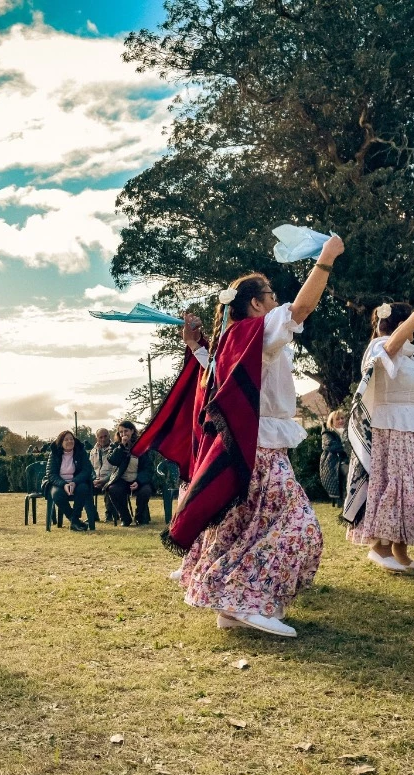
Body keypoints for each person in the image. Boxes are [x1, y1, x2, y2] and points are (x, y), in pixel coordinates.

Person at [138, 235, 342, 638]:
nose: (276, 299)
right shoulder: (256, 332)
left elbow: (216, 377)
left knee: (245, 529)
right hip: (259, 448)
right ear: (255, 304)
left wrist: (196, 346)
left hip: (252, 447)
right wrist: (326, 259)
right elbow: (301, 309)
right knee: (298, 527)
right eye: (270, 294)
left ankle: (233, 606)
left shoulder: (236, 340)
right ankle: (247, 601)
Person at [343, 303, 414, 572]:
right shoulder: (380, 346)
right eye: (412, 324)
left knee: (413, 487)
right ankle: (379, 548)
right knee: (396, 484)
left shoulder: (409, 357)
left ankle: (401, 553)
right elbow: (389, 351)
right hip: (391, 430)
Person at [41, 430, 95, 531]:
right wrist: (63, 484)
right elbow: (51, 474)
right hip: (59, 483)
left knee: (83, 489)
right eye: (66, 439)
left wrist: (74, 482)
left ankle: (74, 520)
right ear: (61, 442)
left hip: (77, 482)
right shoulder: (54, 454)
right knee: (57, 494)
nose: (69, 441)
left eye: (71, 439)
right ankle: (75, 521)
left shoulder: (81, 452)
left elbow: (86, 470)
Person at [107, 420, 156, 526]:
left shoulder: (142, 446)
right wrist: (122, 446)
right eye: (121, 432)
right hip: (122, 480)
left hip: (138, 480)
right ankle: (125, 518)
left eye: (126, 431)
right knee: (113, 489)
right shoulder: (116, 446)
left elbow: (148, 468)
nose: (123, 434)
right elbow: (112, 460)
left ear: (132, 431)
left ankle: (139, 517)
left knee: (146, 491)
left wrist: (139, 481)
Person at [319, 409, 348, 506]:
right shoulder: (327, 433)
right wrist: (346, 447)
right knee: (348, 471)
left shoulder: (348, 431)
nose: (341, 421)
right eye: (337, 419)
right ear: (331, 422)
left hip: (347, 460)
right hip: (333, 462)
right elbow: (330, 445)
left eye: (342, 418)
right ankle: (346, 501)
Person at [89, 428, 118, 522]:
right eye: (100, 437)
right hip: (96, 480)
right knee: (84, 489)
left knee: (109, 487)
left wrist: (105, 480)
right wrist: (94, 479)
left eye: (105, 436)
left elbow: (116, 470)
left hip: (111, 479)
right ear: (96, 438)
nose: (103, 439)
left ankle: (110, 514)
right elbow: (90, 468)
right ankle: (93, 515)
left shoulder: (115, 449)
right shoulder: (93, 451)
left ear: (109, 436)